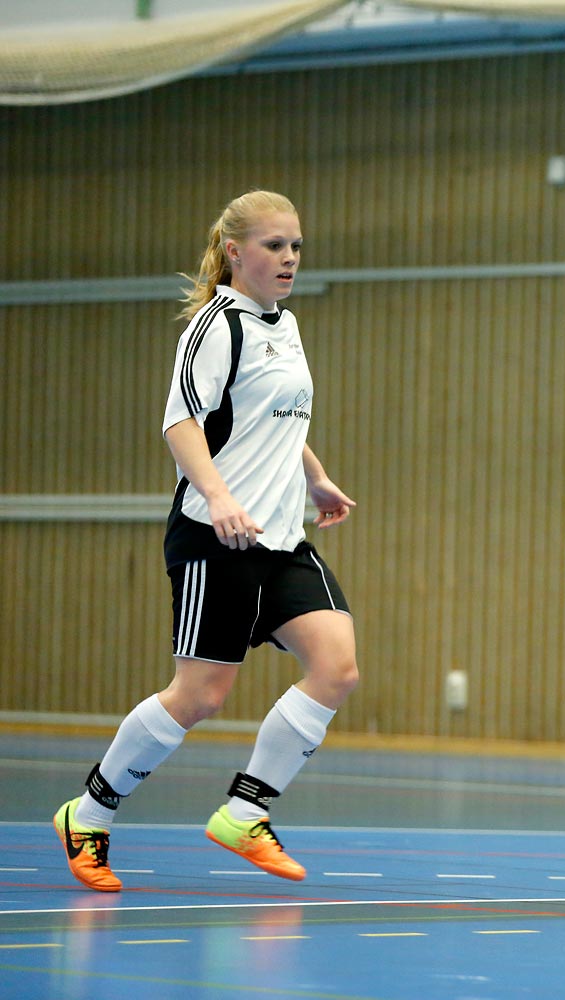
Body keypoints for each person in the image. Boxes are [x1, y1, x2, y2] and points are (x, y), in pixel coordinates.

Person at [53, 190, 359, 892]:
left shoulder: (286, 322)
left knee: (336, 667)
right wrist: (220, 497)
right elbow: (181, 423)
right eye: (274, 246)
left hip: (280, 536)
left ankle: (244, 812)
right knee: (199, 695)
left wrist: (314, 478)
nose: (288, 259)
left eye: (296, 246)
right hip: (214, 535)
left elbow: (279, 417)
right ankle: (89, 813)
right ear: (234, 251)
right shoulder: (216, 324)